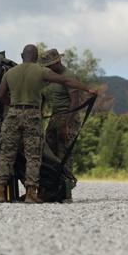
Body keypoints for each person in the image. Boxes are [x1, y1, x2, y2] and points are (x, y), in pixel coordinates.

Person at [0, 44, 97, 203]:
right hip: (33, 115)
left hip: (13, 115)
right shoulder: (41, 71)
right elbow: (65, 80)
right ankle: (31, 193)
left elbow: (1, 96)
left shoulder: (9, 73)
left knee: (6, 153)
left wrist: (16, 105)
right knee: (34, 156)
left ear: (21, 55)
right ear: (36, 58)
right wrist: (87, 89)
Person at [40, 48, 83, 202]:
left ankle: (66, 194)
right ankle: (50, 190)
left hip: (67, 117)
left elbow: (75, 101)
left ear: (58, 61)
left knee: (65, 155)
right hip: (55, 117)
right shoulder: (55, 77)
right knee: (49, 154)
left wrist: (67, 125)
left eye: (51, 64)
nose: (49, 67)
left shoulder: (68, 76)